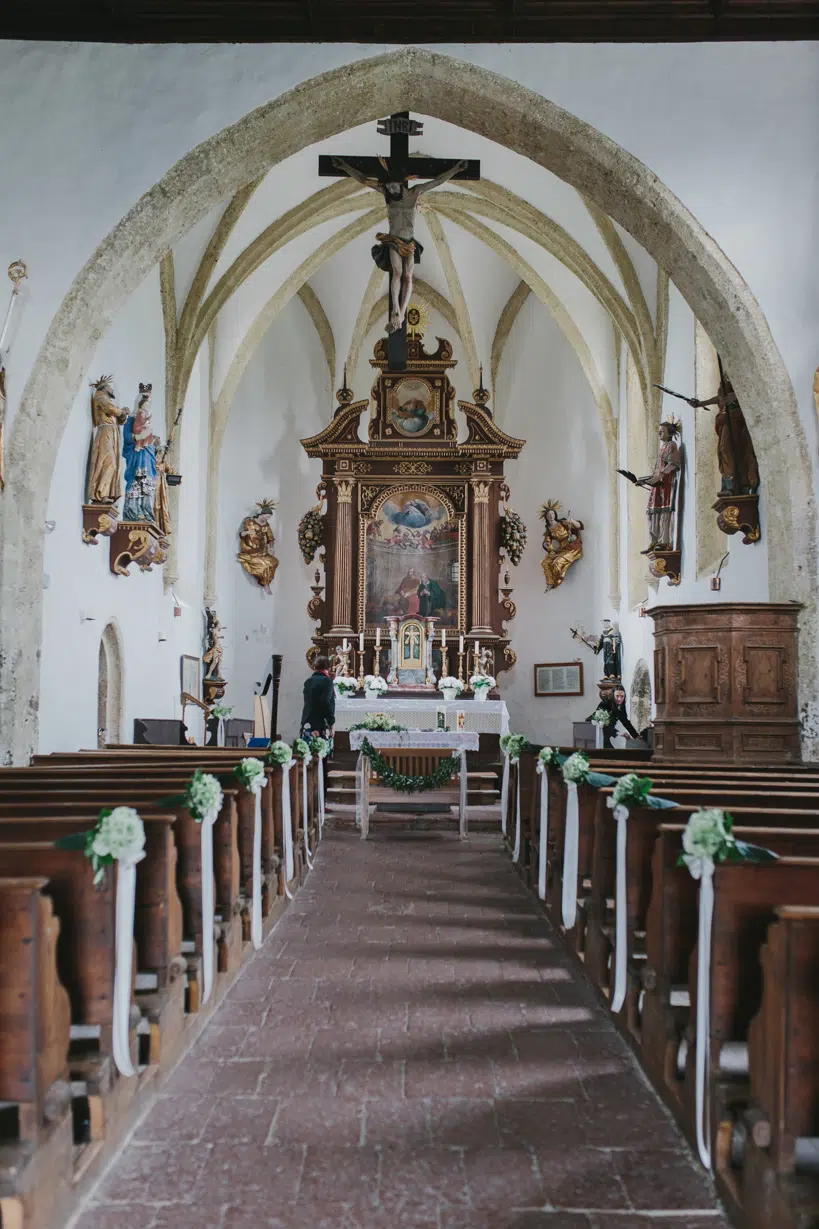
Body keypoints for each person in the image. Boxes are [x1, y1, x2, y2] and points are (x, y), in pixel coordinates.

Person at [331, 155, 468, 333]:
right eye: (388, 186)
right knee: (397, 272)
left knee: (408, 276)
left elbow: (436, 182)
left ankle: (401, 314)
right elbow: (364, 180)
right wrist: (345, 167)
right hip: (394, 240)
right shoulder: (387, 194)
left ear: (401, 183)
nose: (390, 188)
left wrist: (456, 169)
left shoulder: (414, 193)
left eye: (393, 185)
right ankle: (395, 308)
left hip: (409, 242)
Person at [300, 655, 335, 740]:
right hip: (321, 722)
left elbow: (307, 702)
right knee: (322, 750)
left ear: (315, 667)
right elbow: (326, 702)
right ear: (328, 668)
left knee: (307, 749)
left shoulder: (308, 681)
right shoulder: (327, 681)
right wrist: (331, 723)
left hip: (308, 719)